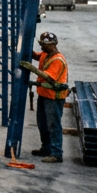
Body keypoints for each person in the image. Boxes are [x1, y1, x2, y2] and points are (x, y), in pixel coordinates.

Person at [29, 31, 68, 163]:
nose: (43, 47)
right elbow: (37, 56)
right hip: (44, 94)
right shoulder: (45, 54)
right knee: (43, 123)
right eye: (42, 44)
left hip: (54, 97)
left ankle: (57, 153)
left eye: (46, 45)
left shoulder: (57, 60)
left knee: (53, 124)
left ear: (54, 45)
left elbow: (48, 77)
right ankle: (46, 148)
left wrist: (32, 70)